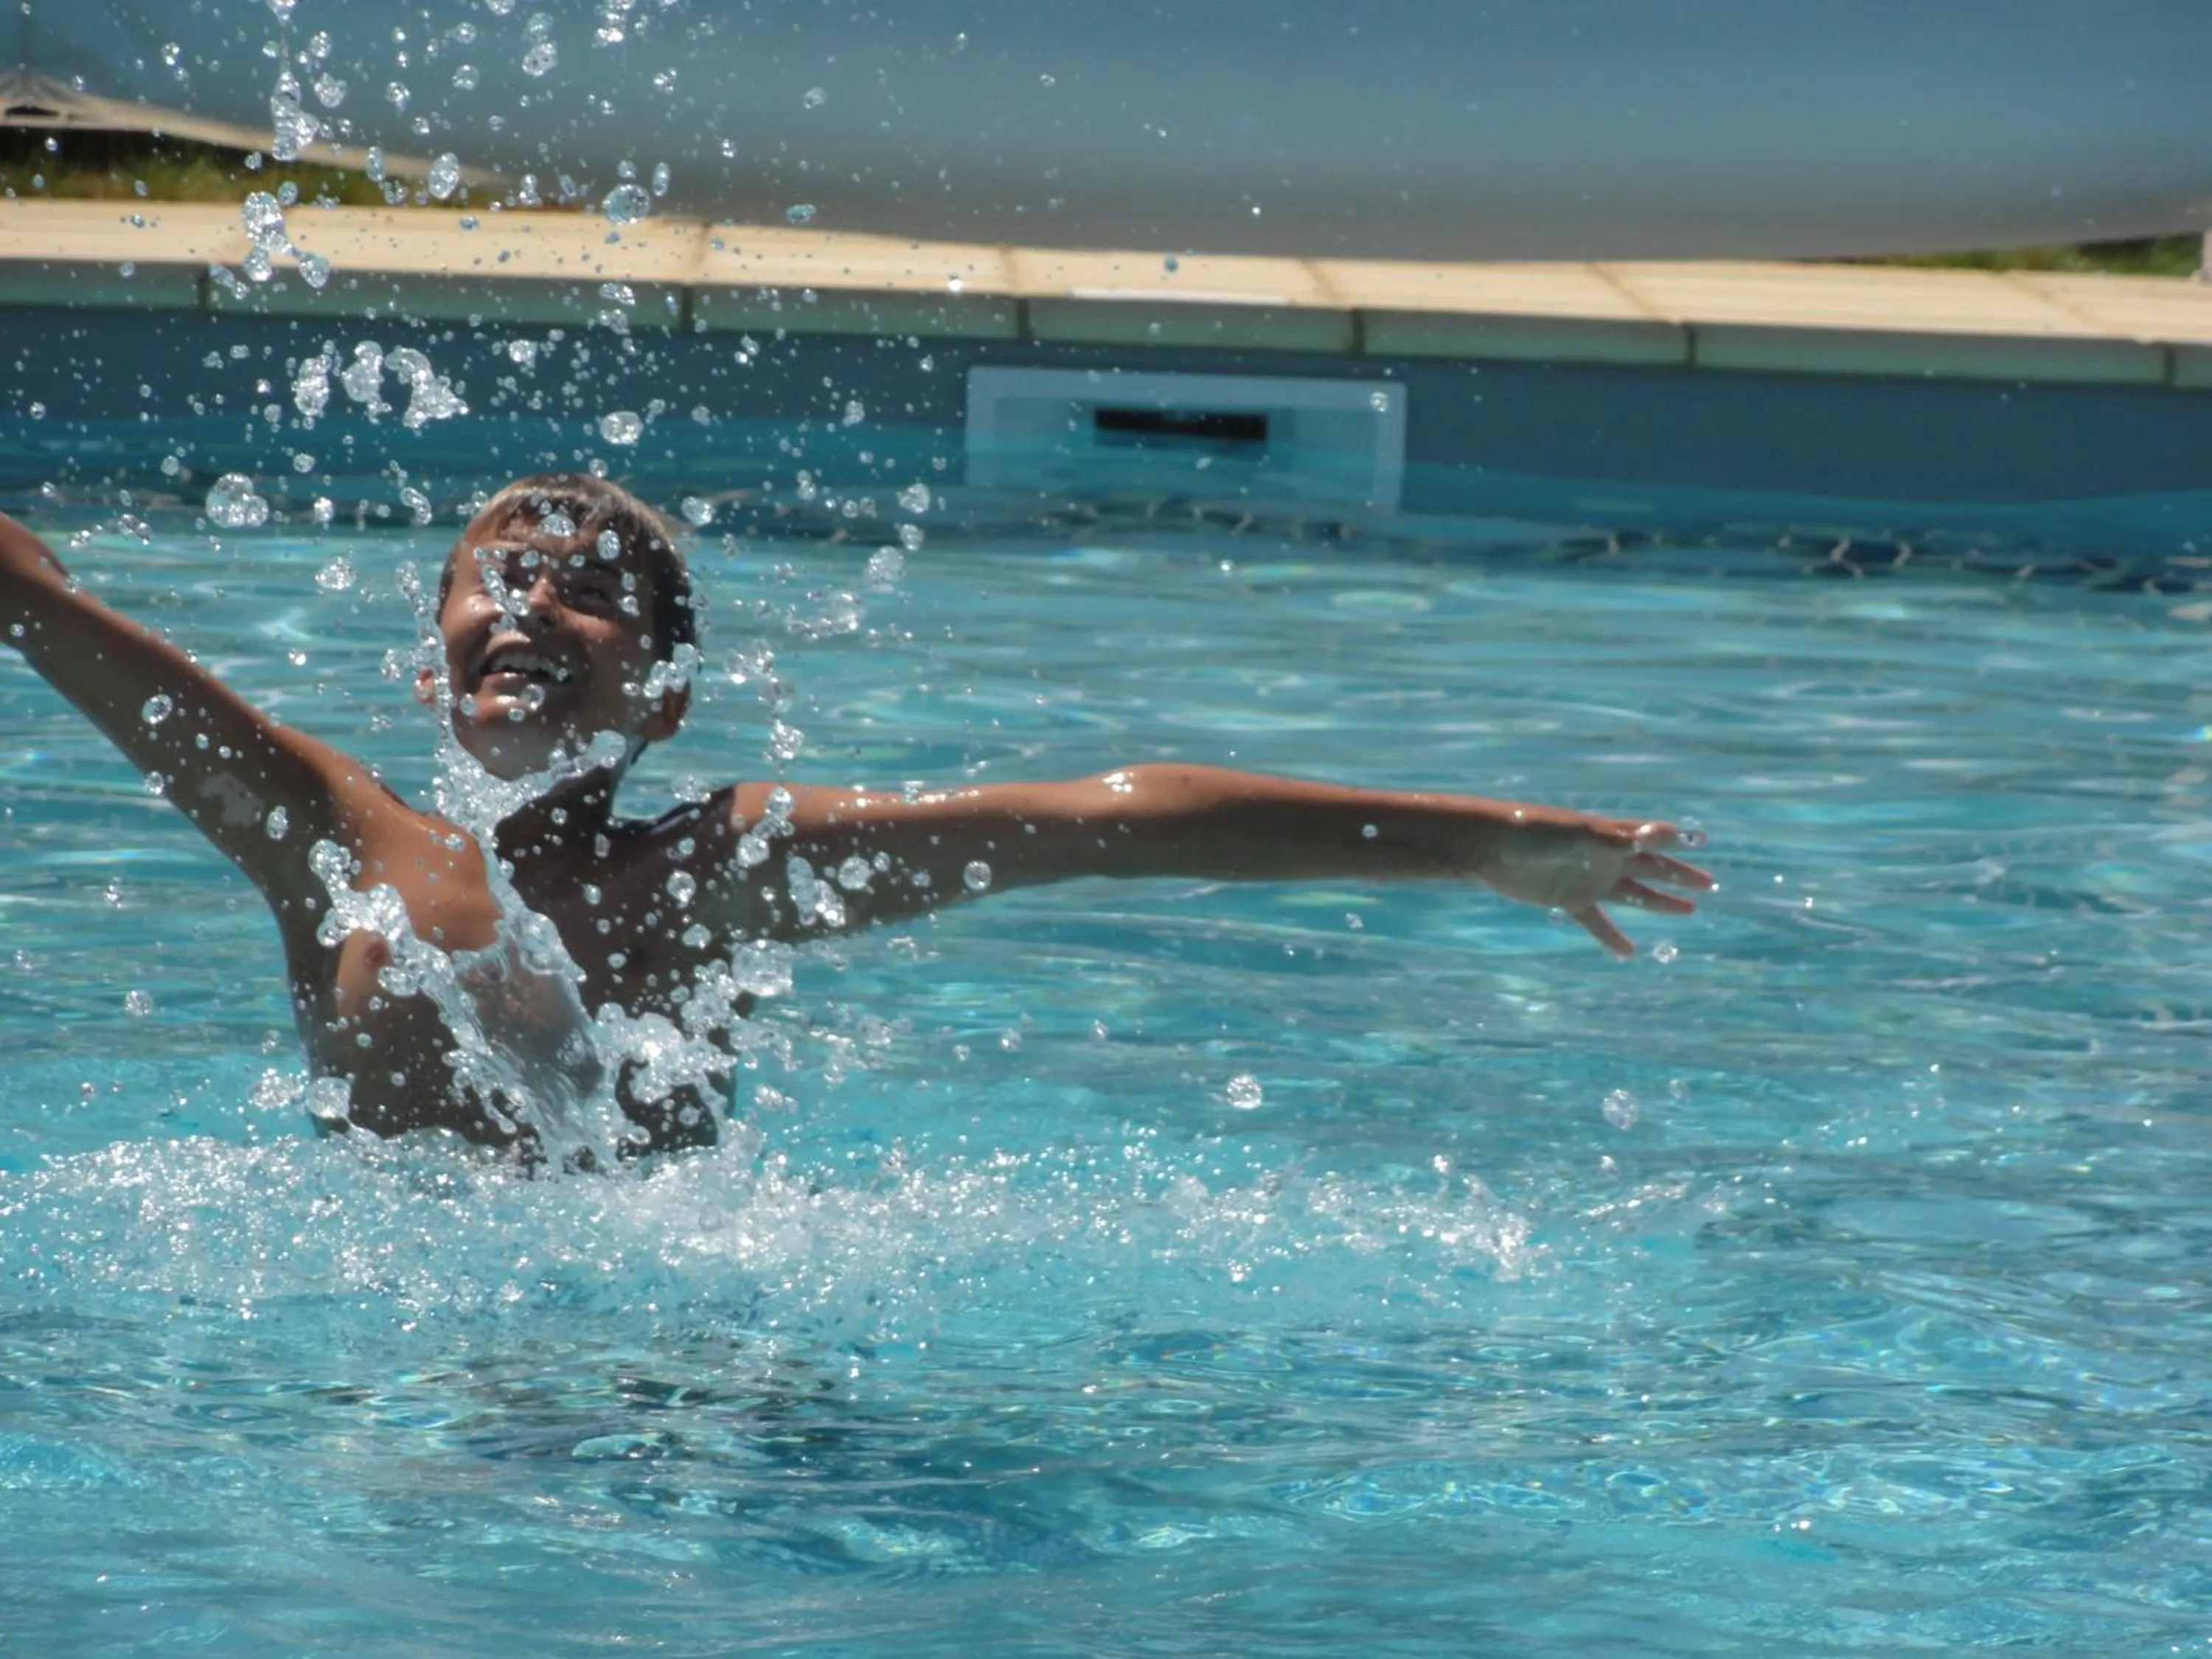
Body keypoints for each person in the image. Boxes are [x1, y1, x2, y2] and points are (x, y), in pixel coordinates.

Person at [0, 473, 1712, 1166]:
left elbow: (1106, 820)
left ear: (665, 697)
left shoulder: (719, 867)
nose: (528, 604)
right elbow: (77, 637)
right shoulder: (333, 838)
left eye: (586, 590)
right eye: (496, 578)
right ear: (433, 652)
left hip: (657, 1390)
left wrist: (1470, 840)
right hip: (395, 1384)